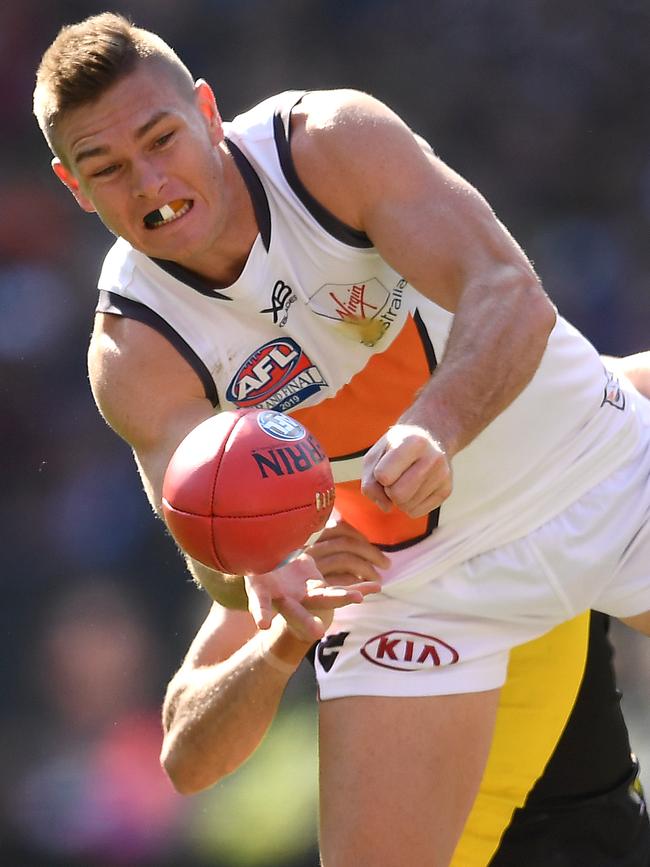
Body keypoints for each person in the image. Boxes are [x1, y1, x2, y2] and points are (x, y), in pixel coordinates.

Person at [34, 13, 650, 865]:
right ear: (75, 186)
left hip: (592, 464)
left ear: (208, 111)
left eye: (161, 139)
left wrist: (436, 426)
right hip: (415, 584)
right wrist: (266, 562)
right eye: (107, 168)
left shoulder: (325, 145)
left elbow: (508, 291)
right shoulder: (133, 346)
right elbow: (204, 534)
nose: (148, 182)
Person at [160, 517, 650, 866]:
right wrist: (286, 635)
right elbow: (186, 759)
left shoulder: (548, 440)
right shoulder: (301, 509)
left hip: (592, 839)